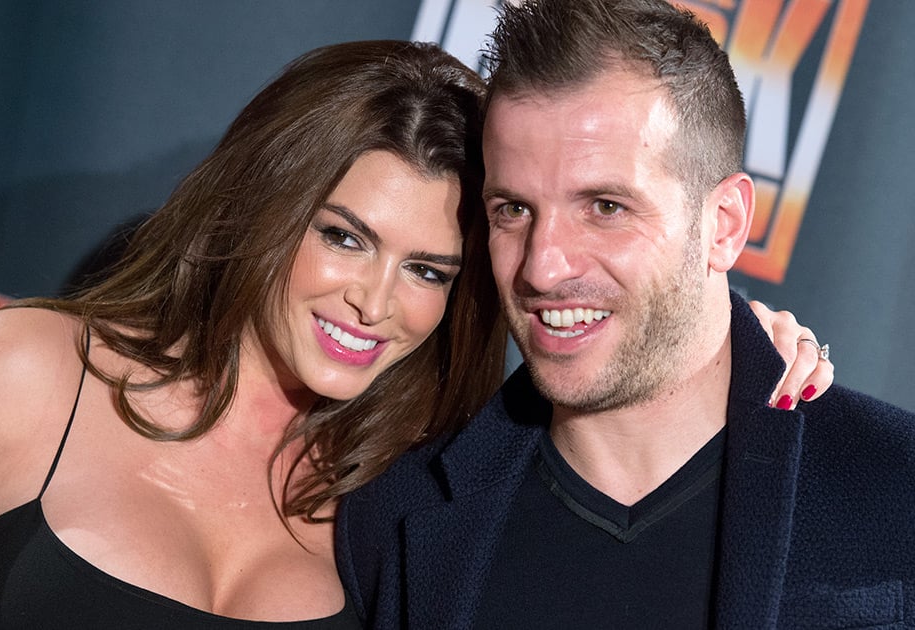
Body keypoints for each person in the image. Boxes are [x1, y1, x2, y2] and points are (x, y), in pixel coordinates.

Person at [0, 37, 828, 629]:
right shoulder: (34, 378)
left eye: (428, 271)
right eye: (345, 237)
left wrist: (736, 349)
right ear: (262, 203)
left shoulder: (400, 493)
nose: (375, 302)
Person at [334, 2, 914, 629]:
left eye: (605, 206)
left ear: (723, 225)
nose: (542, 268)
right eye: (514, 210)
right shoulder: (389, 520)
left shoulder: (898, 487)